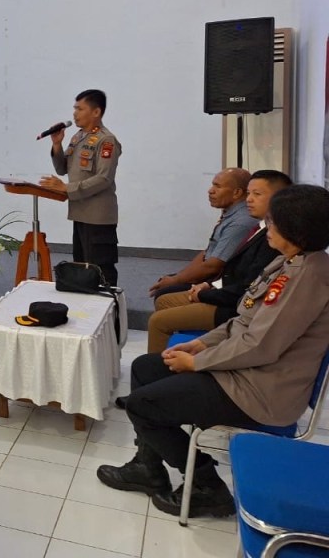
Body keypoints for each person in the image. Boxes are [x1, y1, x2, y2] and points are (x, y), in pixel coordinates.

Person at [97, 184, 329, 518]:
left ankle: (207, 486)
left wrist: (197, 362)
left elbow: (260, 345)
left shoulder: (306, 277)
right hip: (248, 371)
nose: (267, 226)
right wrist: (203, 343)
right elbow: (245, 319)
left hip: (261, 390)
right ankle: (147, 467)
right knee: (145, 368)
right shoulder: (290, 262)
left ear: (296, 230)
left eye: (273, 221)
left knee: (142, 406)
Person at [147, 170, 290, 353]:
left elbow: (246, 285)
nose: (249, 199)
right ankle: (177, 350)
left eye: (257, 194)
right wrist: (208, 285)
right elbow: (219, 260)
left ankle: (159, 364)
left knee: (158, 321)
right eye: (249, 193)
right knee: (164, 300)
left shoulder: (272, 238)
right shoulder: (260, 227)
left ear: (279, 198)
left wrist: (204, 293)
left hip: (234, 307)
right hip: (226, 291)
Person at [39, 89, 121, 285]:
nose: (75, 113)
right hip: (80, 212)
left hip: (98, 216)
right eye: (74, 108)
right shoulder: (78, 137)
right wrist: (57, 144)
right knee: (82, 267)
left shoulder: (106, 140)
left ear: (96, 112)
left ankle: (110, 302)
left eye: (80, 109)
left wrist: (66, 188)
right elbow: (62, 169)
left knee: (101, 268)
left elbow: (104, 178)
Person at [148, 168, 256, 299]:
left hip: (219, 283)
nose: (210, 190)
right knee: (168, 281)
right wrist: (178, 277)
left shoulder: (240, 222)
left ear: (237, 193)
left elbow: (213, 267)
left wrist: (176, 280)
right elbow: (207, 253)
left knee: (165, 292)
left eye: (218, 186)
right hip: (212, 276)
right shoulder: (231, 215)